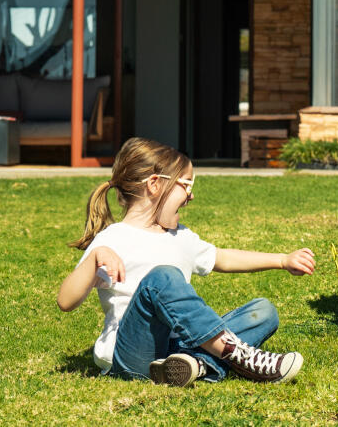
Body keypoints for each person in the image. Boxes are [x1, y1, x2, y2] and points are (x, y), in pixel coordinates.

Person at [57, 137, 315, 387]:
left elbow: (222, 258)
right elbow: (66, 301)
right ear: (155, 184)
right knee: (162, 278)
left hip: (177, 348)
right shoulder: (112, 239)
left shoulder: (180, 236)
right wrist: (94, 257)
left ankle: (195, 364)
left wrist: (282, 260)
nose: (191, 196)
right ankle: (239, 356)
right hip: (133, 356)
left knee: (264, 312)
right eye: (186, 185)